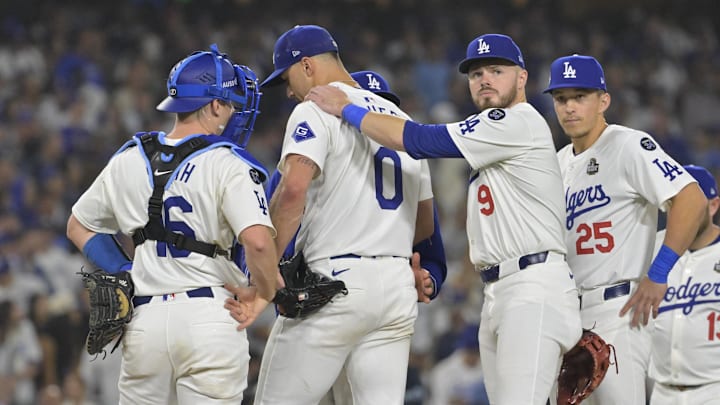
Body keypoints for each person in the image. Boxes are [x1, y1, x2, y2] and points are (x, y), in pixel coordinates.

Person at [307, 33, 582, 404]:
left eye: (496, 70)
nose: (484, 79)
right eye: (476, 73)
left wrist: (347, 109)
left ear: (522, 78)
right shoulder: (491, 139)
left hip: (533, 288)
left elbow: (418, 140)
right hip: (502, 290)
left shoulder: (515, 121)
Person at [66, 44, 279, 404]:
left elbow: (78, 225)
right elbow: (258, 242)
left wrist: (125, 269)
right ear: (214, 105)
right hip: (210, 315)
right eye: (229, 104)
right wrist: (264, 290)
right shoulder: (228, 162)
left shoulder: (130, 156)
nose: (232, 113)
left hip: (145, 320)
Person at [240, 25, 435, 405]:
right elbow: (425, 223)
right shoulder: (400, 119)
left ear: (308, 66)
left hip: (335, 281)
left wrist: (267, 271)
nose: (291, 91)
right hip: (396, 291)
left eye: (288, 79)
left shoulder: (314, 108)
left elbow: (293, 189)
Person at [542, 54, 707, 404]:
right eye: (561, 99)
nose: (570, 107)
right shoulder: (557, 162)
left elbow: (690, 199)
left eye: (580, 96)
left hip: (618, 310)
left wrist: (659, 271)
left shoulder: (627, 145)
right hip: (569, 314)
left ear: (604, 100)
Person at [649, 164, 720, 405]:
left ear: (713, 206)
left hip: (714, 389)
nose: (683, 213)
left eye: (692, 204)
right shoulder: (651, 248)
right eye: (675, 205)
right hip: (661, 391)